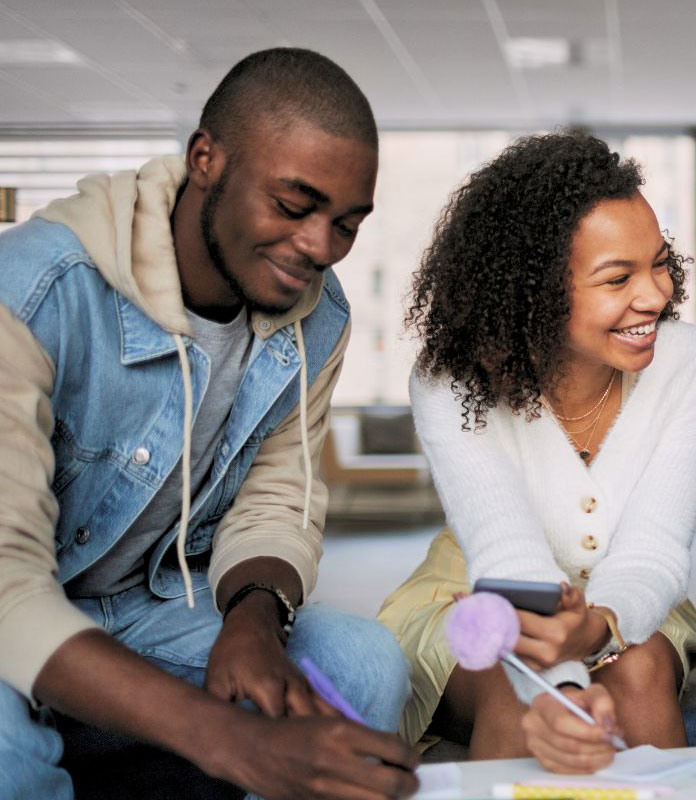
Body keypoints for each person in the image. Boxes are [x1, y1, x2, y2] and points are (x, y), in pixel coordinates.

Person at [0, 48, 418, 800]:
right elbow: (6, 589)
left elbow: (277, 498)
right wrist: (233, 740)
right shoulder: (33, 293)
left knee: (360, 663)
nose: (320, 247)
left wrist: (254, 620)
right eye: (294, 207)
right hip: (19, 605)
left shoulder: (318, 318)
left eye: (347, 224)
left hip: (146, 606)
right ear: (206, 159)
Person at [377, 130, 696, 773]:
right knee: (518, 696)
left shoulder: (687, 361)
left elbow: (652, 548)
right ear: (531, 289)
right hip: (482, 593)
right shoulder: (450, 380)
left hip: (633, 592)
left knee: (639, 669)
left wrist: (602, 627)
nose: (655, 296)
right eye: (617, 277)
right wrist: (562, 684)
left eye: (658, 263)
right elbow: (506, 548)